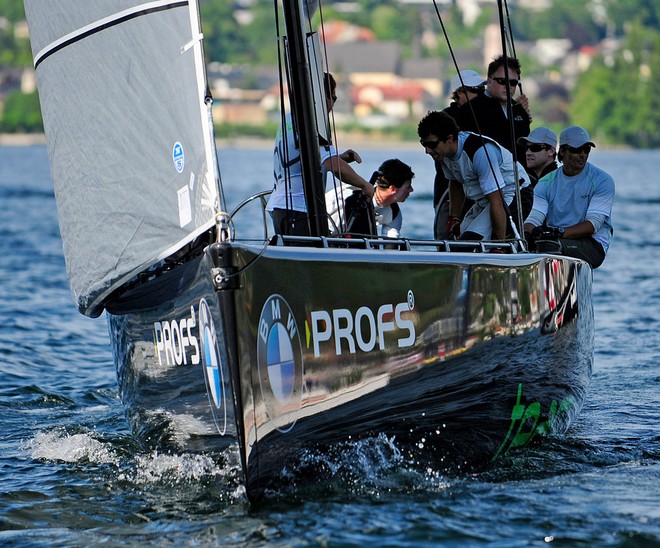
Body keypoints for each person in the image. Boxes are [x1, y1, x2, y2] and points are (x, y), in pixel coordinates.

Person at [267, 72, 373, 236]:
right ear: (319, 96)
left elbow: (304, 159)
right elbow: (335, 167)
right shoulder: (313, 121)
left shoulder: (290, 119)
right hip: (299, 209)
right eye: (333, 98)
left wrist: (341, 158)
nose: (333, 104)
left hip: (279, 207)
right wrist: (365, 185)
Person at [418, 110, 530, 242]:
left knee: (470, 243)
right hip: (486, 200)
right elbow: (455, 183)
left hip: (515, 194)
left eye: (431, 145)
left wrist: (499, 244)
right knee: (455, 243)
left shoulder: (479, 152)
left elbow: (497, 200)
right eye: (424, 144)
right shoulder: (443, 154)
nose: (427, 151)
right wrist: (454, 219)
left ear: (449, 139)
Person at [524, 126, 614, 268]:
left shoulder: (602, 180)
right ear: (563, 151)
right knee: (523, 243)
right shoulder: (545, 183)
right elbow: (533, 219)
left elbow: (593, 224)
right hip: (558, 239)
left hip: (592, 244)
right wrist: (530, 232)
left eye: (587, 149)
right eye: (577, 150)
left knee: (549, 246)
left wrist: (558, 232)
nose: (583, 154)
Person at [433, 70, 486, 238]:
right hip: (449, 188)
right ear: (460, 93)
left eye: (482, 90)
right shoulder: (446, 117)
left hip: (478, 189)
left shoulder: (484, 114)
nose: (481, 95)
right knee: (447, 236)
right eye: (476, 90)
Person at [455, 55, 532, 165]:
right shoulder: (469, 111)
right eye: (502, 81)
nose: (508, 86)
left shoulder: (519, 111)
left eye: (513, 82)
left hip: (519, 177)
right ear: (489, 81)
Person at [344, 159, 415, 238]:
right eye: (408, 187)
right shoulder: (347, 197)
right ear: (392, 189)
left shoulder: (394, 213)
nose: (411, 190)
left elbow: (391, 245)